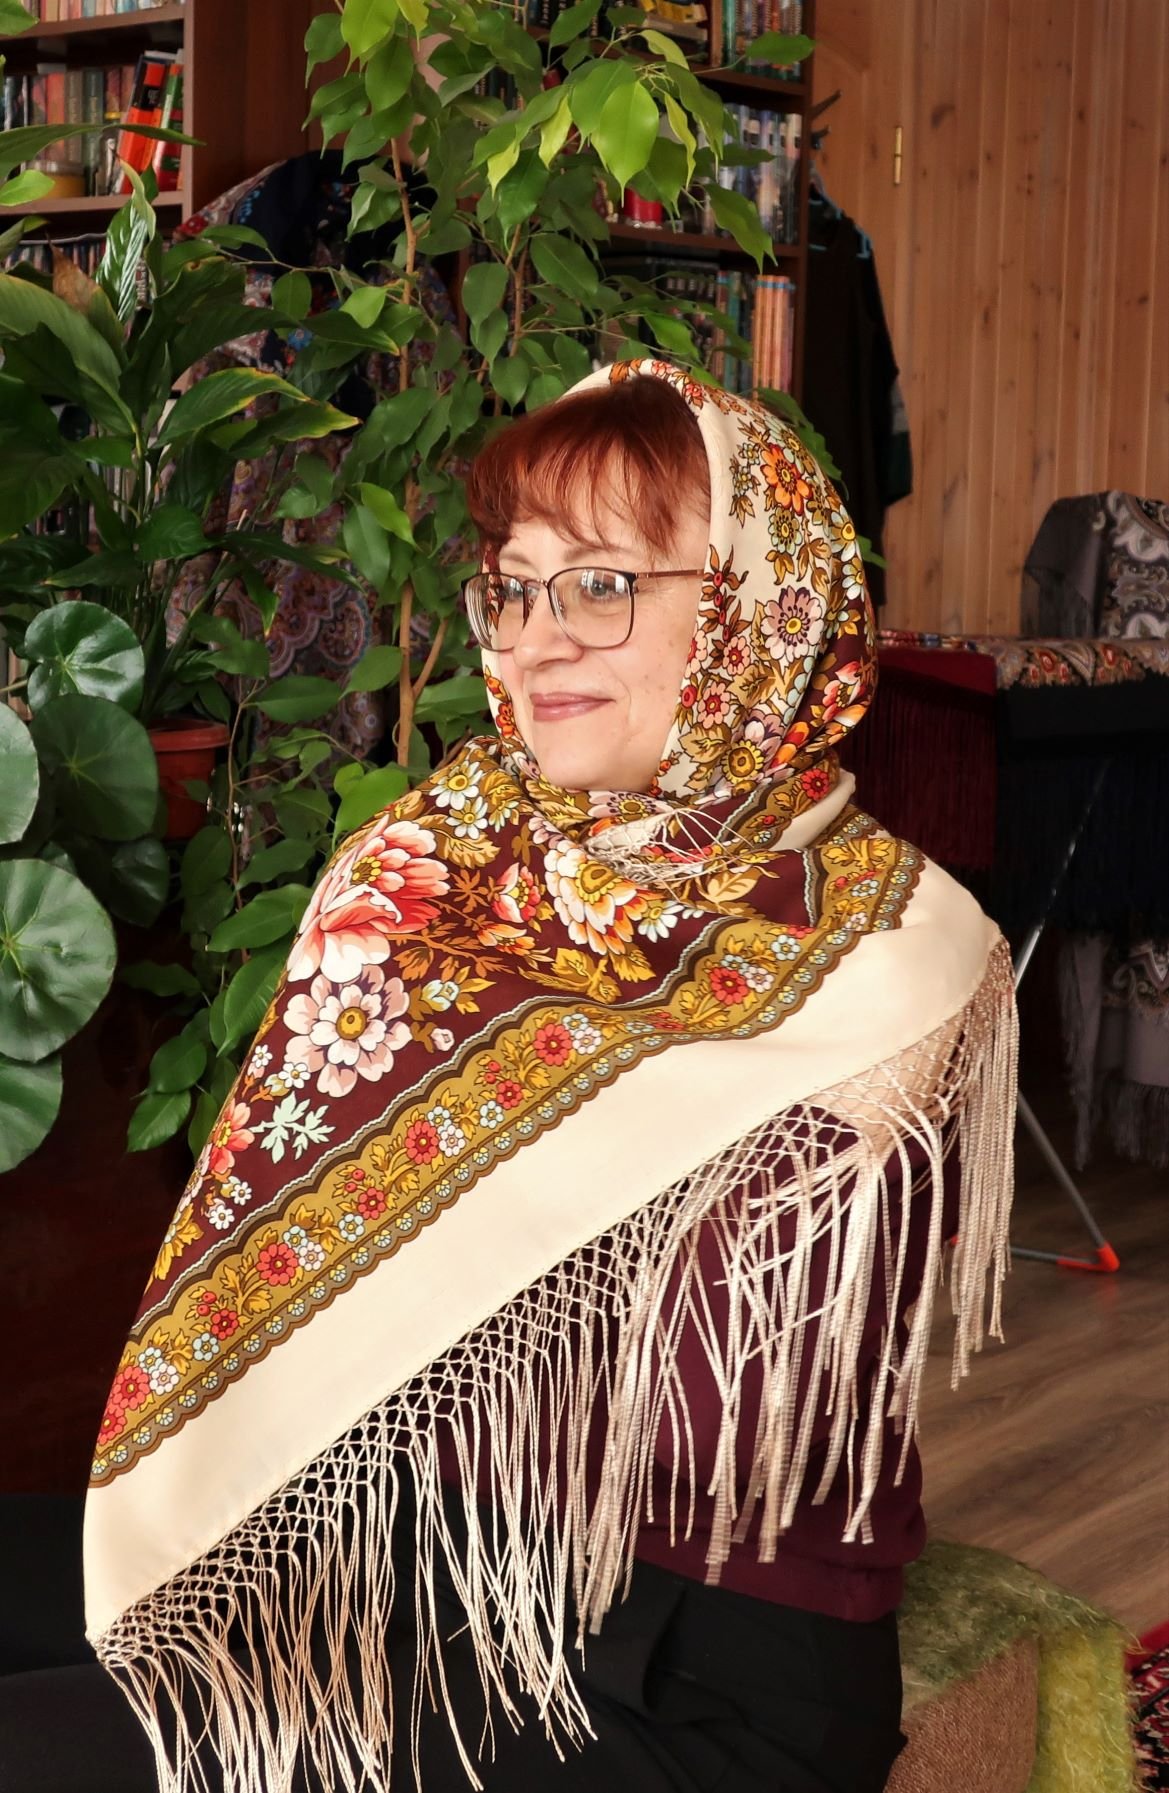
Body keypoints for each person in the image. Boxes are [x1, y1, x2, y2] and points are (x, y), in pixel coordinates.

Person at [6, 358, 1015, 1793]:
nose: (539, 638)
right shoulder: (454, 858)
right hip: (414, 1549)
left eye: (602, 585)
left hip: (688, 1671)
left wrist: (419, 1270)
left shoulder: (886, 957)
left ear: (757, 606)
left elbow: (720, 1424)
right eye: (516, 588)